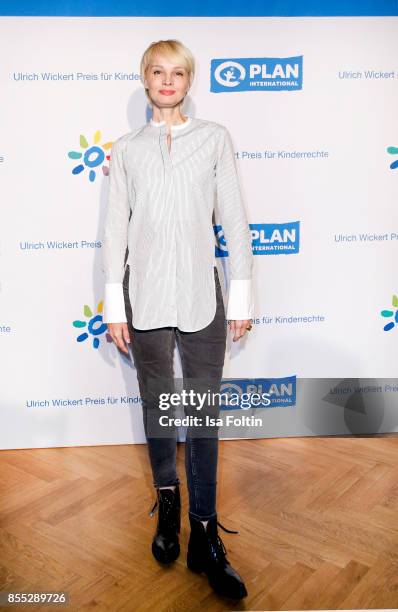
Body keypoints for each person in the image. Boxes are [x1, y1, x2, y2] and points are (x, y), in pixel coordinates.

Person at [102, 39, 254, 600]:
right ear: (145, 79)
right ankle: (168, 506)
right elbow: (115, 232)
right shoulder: (127, 149)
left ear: (189, 82)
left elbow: (235, 222)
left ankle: (205, 535)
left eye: (178, 72)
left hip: (202, 299)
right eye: (158, 72)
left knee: (204, 417)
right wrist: (114, 306)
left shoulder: (214, 139)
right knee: (159, 405)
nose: (168, 81)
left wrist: (241, 299)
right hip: (142, 297)